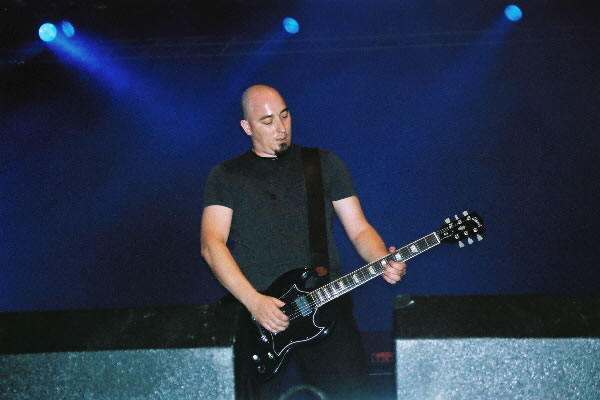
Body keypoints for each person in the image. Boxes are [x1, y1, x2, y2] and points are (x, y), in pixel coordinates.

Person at [200, 84, 407, 400]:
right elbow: (211, 244)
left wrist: (381, 258)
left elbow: (359, 229)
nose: (281, 127)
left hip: (324, 300)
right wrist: (254, 301)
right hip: (257, 317)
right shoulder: (226, 175)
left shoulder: (323, 164)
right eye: (267, 121)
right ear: (246, 127)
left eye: (284, 115)